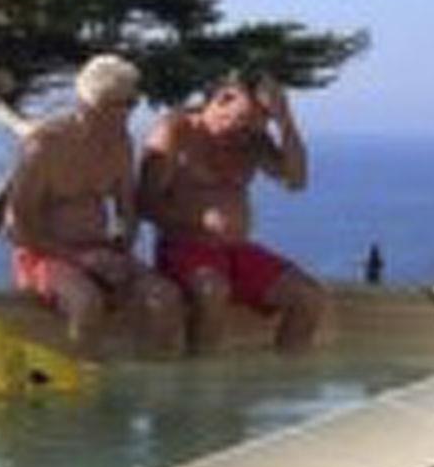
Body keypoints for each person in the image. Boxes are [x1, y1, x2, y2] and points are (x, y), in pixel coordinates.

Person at [5, 53, 183, 354]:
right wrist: (78, 258)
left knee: (165, 298)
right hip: (45, 254)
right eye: (117, 105)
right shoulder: (46, 144)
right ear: (89, 104)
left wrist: (120, 251)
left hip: (100, 250)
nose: (125, 113)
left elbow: (127, 209)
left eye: (131, 103)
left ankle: (156, 374)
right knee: (86, 303)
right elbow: (16, 226)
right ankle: (82, 375)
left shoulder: (120, 143)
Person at [138, 73, 327, 351]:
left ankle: (286, 372)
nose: (243, 134)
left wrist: (284, 119)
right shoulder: (177, 131)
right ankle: (202, 371)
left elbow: (296, 181)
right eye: (239, 122)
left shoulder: (252, 140)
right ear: (221, 100)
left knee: (308, 297)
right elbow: (145, 201)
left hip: (236, 251)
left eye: (256, 124)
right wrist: (197, 224)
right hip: (185, 248)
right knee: (213, 292)